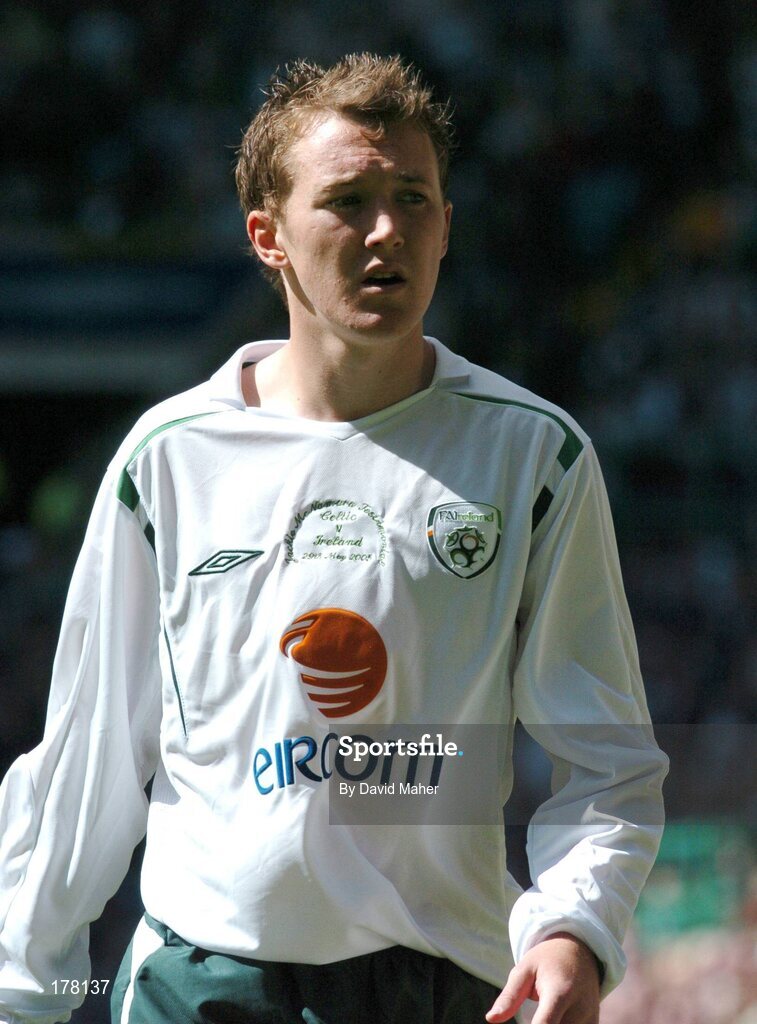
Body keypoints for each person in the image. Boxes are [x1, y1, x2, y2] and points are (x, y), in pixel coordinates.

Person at [0, 54, 667, 1024]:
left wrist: (573, 927)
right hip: (205, 983)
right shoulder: (169, 461)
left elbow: (607, 762)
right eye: (348, 200)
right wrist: (24, 993)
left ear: (447, 229)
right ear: (267, 237)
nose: (386, 227)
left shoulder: (534, 457)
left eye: (413, 197)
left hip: (449, 984)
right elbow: (87, 763)